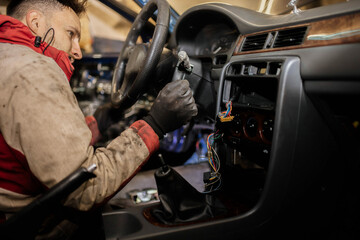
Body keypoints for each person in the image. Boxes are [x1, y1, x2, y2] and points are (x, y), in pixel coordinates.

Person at [0, 0, 197, 236]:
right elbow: (84, 190)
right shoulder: (34, 71)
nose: (78, 51)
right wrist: (155, 125)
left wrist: (97, 123)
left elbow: (32, 139)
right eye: (71, 34)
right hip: (28, 226)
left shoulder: (9, 56)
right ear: (35, 22)